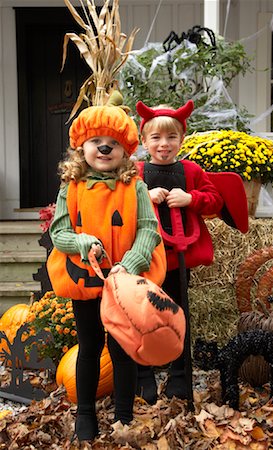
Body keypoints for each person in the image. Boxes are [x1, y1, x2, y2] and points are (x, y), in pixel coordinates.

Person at [48, 92, 164, 443]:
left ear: (125, 150)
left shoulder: (135, 187)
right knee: (89, 346)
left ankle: (124, 415)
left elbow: (148, 229)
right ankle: (85, 414)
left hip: (123, 284)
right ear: (81, 147)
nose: (103, 148)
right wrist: (82, 243)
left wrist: (129, 264)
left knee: (121, 348)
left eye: (112, 142)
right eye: (96, 142)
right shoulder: (71, 188)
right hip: (86, 282)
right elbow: (59, 231)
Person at [135, 99, 225, 404]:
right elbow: (118, 206)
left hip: (178, 258)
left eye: (171, 137)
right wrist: (144, 196)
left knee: (178, 315)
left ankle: (178, 376)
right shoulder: (136, 172)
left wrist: (190, 198)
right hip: (144, 259)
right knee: (143, 316)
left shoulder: (190, 170)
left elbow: (215, 200)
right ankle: (143, 375)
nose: (164, 144)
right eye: (156, 138)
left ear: (181, 140)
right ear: (143, 140)